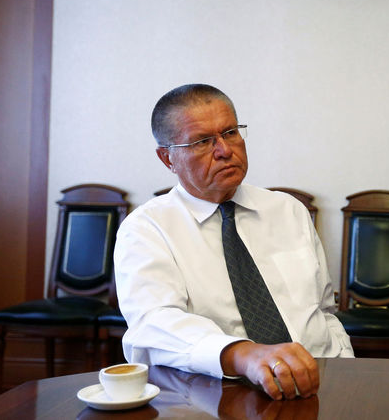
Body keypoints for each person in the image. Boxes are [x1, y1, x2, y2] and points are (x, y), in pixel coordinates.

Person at [114, 84, 353, 401]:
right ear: (167, 158)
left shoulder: (288, 210)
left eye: (230, 133)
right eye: (203, 141)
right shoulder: (147, 229)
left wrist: (347, 376)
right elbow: (154, 327)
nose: (224, 149)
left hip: (320, 386)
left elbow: (324, 313)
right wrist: (245, 355)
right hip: (218, 396)